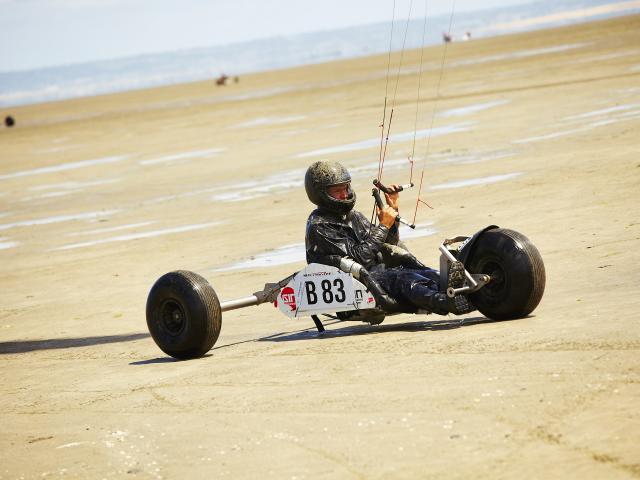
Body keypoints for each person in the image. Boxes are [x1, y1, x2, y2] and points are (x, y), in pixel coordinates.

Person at [304, 160, 473, 315]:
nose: (344, 195)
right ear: (320, 193)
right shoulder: (319, 226)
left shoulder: (352, 216)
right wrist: (383, 225)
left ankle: (463, 291)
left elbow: (387, 243)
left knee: (424, 273)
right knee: (404, 279)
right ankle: (445, 302)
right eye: (337, 191)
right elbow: (360, 257)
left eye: (345, 188)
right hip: (356, 282)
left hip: (377, 273)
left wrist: (392, 216)